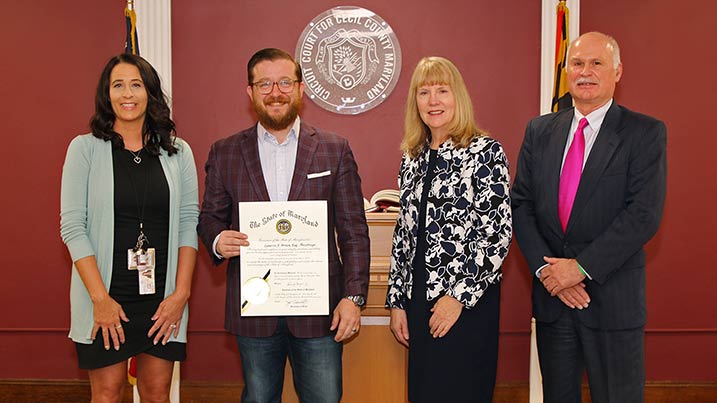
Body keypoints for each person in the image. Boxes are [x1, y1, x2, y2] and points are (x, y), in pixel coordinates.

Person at [197, 48, 370, 403]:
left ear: (300, 89)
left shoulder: (334, 150)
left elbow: (354, 231)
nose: (275, 92)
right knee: (259, 399)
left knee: (324, 399)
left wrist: (353, 297)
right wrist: (218, 241)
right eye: (265, 83)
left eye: (284, 82)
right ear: (250, 92)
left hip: (319, 310)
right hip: (255, 310)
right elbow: (209, 219)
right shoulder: (225, 151)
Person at [511, 32, 667, 402]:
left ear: (617, 71)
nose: (586, 72)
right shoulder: (540, 130)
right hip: (554, 302)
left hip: (613, 302)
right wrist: (549, 274)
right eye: (577, 64)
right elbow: (521, 204)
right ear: (567, 71)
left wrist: (578, 269)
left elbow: (643, 215)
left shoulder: (644, 132)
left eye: (597, 63)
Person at [60, 53, 199, 402]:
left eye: (136, 85)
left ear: (150, 93)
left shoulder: (178, 152)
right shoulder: (84, 149)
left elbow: (187, 223)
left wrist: (180, 296)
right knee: (107, 394)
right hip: (106, 296)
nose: (127, 94)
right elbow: (73, 228)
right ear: (106, 95)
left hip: (161, 299)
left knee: (156, 394)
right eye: (118, 85)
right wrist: (100, 300)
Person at [385, 56, 512, 403]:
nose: (433, 100)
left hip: (466, 306)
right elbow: (404, 236)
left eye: (442, 90)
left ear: (459, 96)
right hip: (418, 301)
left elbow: (495, 234)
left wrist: (457, 297)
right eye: (423, 92)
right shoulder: (413, 156)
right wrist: (397, 301)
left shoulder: (484, 151)